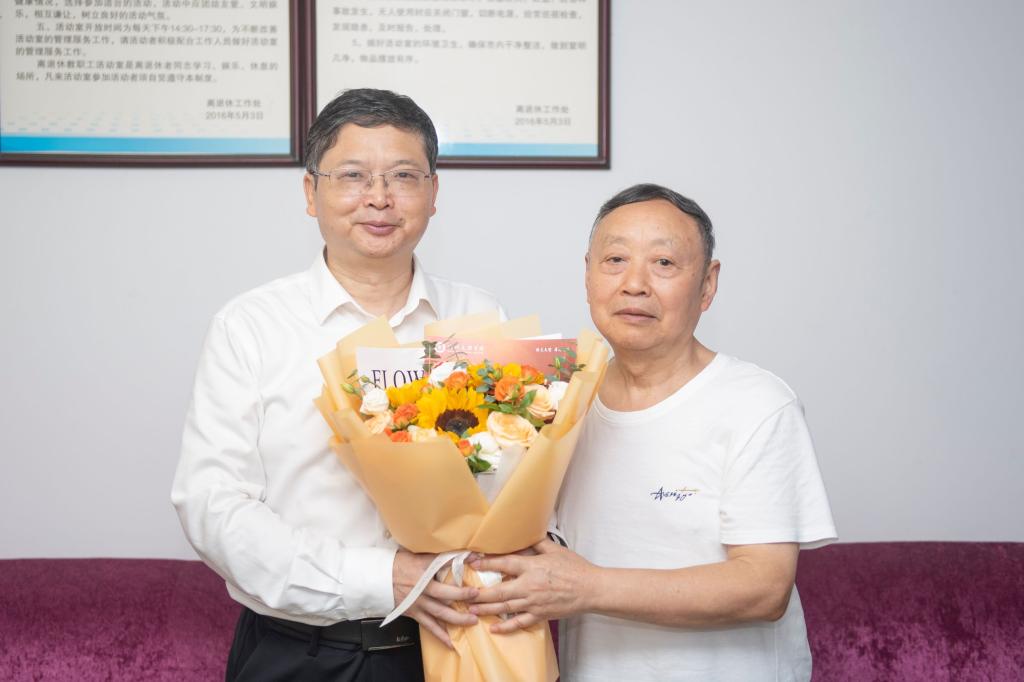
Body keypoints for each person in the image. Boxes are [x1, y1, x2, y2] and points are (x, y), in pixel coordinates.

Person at [172, 88, 501, 681]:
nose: (379, 197)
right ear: (310, 192)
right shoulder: (251, 326)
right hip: (299, 652)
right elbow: (213, 508)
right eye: (353, 176)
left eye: (404, 176)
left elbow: (511, 479)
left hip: (454, 642)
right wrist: (382, 578)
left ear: (433, 192)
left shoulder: (478, 317)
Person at [469, 184, 837, 681]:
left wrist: (587, 587)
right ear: (587, 274)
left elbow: (764, 589)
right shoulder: (558, 403)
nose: (634, 284)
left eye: (663, 263)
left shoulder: (757, 404)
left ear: (707, 284)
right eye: (615, 260)